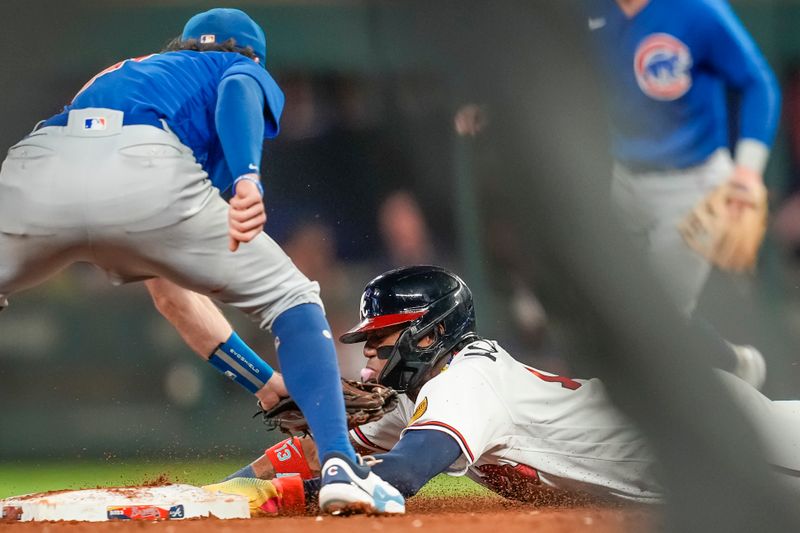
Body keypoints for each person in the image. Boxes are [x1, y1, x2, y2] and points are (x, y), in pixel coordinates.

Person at [0, 7, 403, 515]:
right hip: (142, 161)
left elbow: (172, 296)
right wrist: (247, 177)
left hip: (39, 163)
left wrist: (264, 383)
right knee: (292, 295)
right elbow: (239, 87)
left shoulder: (134, 75)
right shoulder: (233, 64)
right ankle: (340, 466)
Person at [206, 265, 800, 514]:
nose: (370, 356)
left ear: (428, 333)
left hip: (717, 434)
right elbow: (317, 452)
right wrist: (224, 493)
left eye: (382, 340)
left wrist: (279, 498)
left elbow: (401, 478)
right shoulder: (422, 395)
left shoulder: (468, 381)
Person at [584, 0, 780, 388]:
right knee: (611, 302)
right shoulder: (588, 10)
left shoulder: (696, 9)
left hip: (693, 186)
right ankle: (733, 364)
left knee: (657, 318)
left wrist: (747, 171)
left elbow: (758, 81)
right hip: (623, 180)